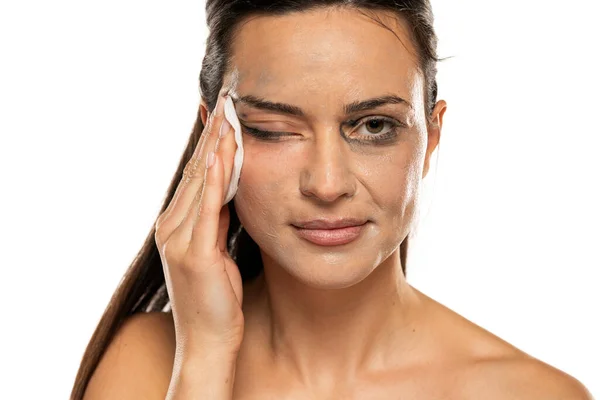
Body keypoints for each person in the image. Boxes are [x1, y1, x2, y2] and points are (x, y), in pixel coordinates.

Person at [71, 1, 594, 399]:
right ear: (216, 141)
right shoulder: (146, 366)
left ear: (431, 138)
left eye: (373, 126)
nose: (325, 184)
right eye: (274, 129)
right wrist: (204, 360)